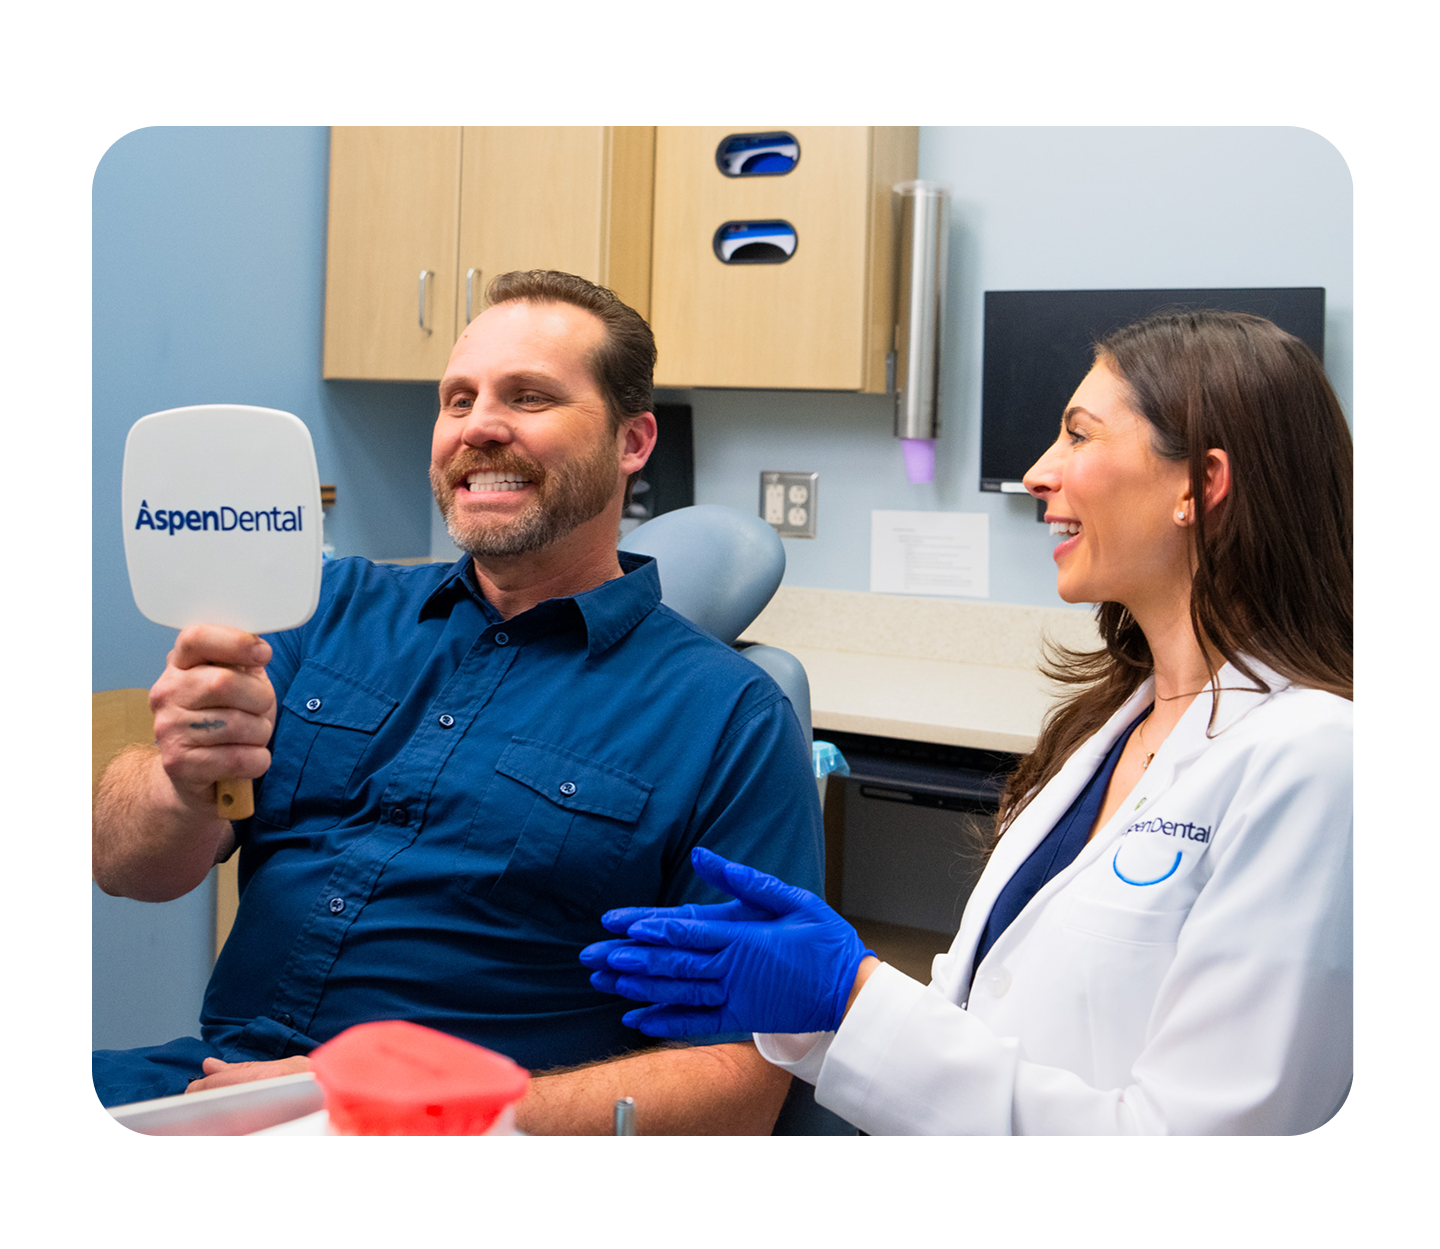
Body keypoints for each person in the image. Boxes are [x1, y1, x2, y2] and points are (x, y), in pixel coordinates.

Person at [584, 309, 1353, 1135]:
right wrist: (838, 1006)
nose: (1036, 475)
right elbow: (989, 1020)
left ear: (1199, 485)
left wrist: (852, 995)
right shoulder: (1113, 728)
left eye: (1079, 437)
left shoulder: (1318, 764)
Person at [92, 270, 824, 1133]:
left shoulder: (726, 717)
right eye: (458, 400)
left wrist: (419, 1111)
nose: (478, 426)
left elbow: (742, 1082)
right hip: (212, 1090)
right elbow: (125, 867)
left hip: (467, 1146)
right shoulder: (322, 614)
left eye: (530, 396)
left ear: (633, 442)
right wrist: (181, 782)